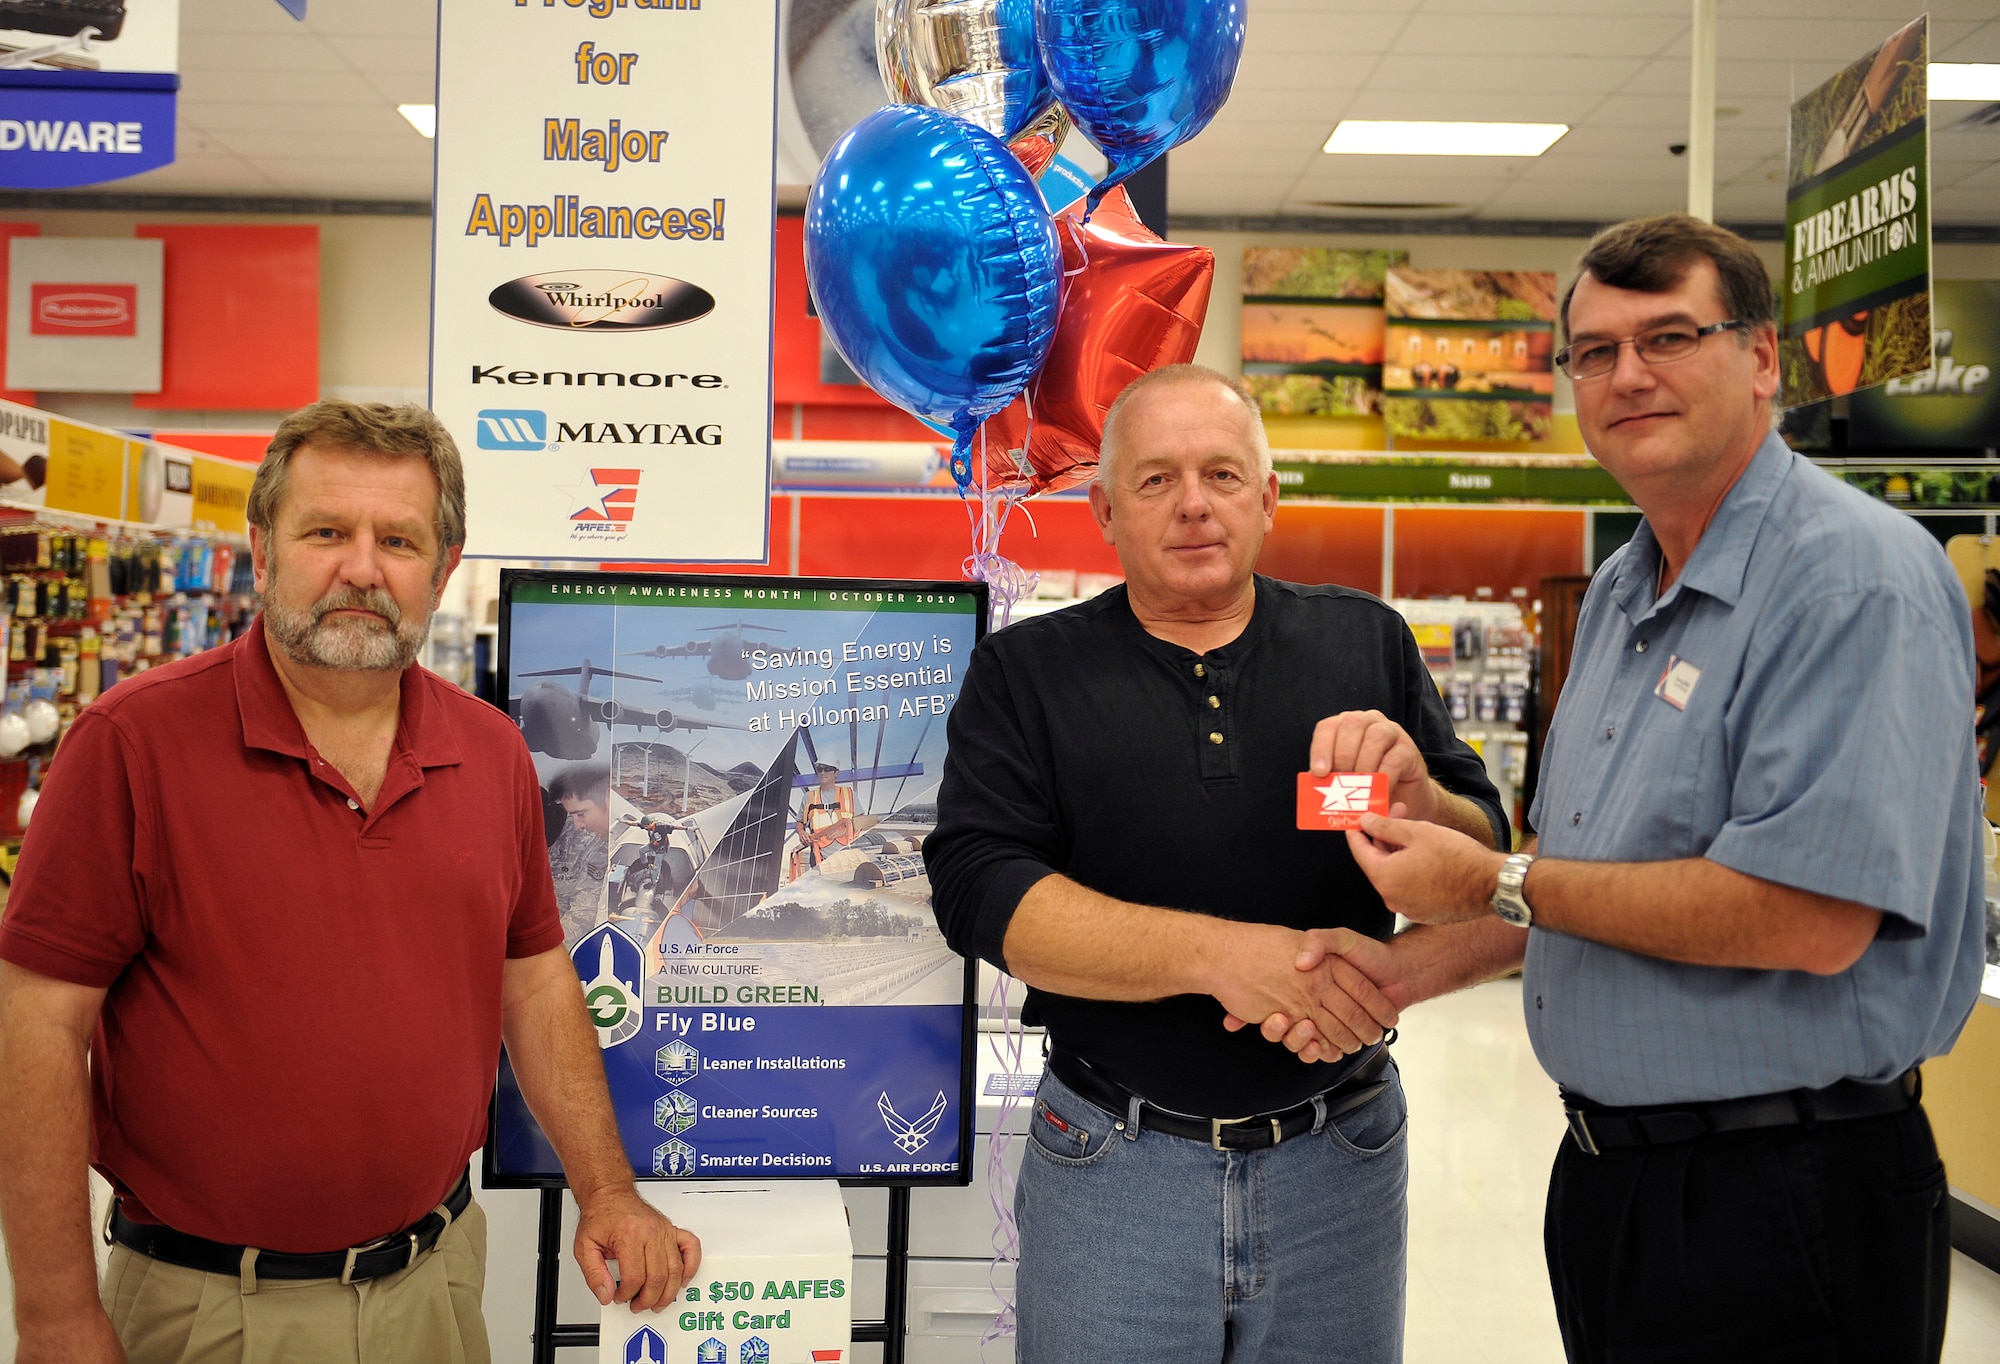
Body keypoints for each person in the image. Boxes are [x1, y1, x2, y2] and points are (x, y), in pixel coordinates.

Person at [1263, 216, 1985, 1364]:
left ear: (1761, 359)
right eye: (1591, 352)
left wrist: (1491, 873)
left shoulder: (1849, 579)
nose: (1626, 375)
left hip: (1786, 1193)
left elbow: (1805, 915)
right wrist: (1400, 970)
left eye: (1667, 336)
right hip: (1616, 1181)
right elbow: (1592, 876)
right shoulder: (1618, 589)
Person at [0, 400, 699, 1364]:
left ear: (443, 568)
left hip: (435, 1288)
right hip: (209, 1309)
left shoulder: (492, 751)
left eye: (398, 540)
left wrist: (608, 1191)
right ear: (261, 546)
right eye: (326, 531)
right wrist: (53, 1314)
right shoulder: (130, 745)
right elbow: (37, 1027)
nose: (362, 568)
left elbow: (535, 983)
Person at [923, 364, 1507, 1364]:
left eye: (1222, 474)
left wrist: (1422, 802)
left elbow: (1487, 862)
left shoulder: (1362, 641)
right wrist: (1222, 957)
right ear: (1103, 508)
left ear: (1267, 496)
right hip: (1111, 1157)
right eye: (1154, 480)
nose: (1193, 503)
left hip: (1342, 1155)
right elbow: (980, 889)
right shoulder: (1027, 672)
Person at [550, 761, 614, 944]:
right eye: (572, 816)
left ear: (608, 799)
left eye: (582, 814)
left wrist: (542, 960)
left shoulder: (598, 841)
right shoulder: (559, 832)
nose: (578, 826)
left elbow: (583, 916)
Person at [789, 760, 857, 882]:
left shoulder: (849, 794)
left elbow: (862, 821)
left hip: (846, 856)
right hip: (818, 858)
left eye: (827, 769)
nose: (823, 772)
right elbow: (800, 823)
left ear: (836, 773)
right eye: (820, 769)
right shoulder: (809, 797)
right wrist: (801, 833)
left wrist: (845, 831)